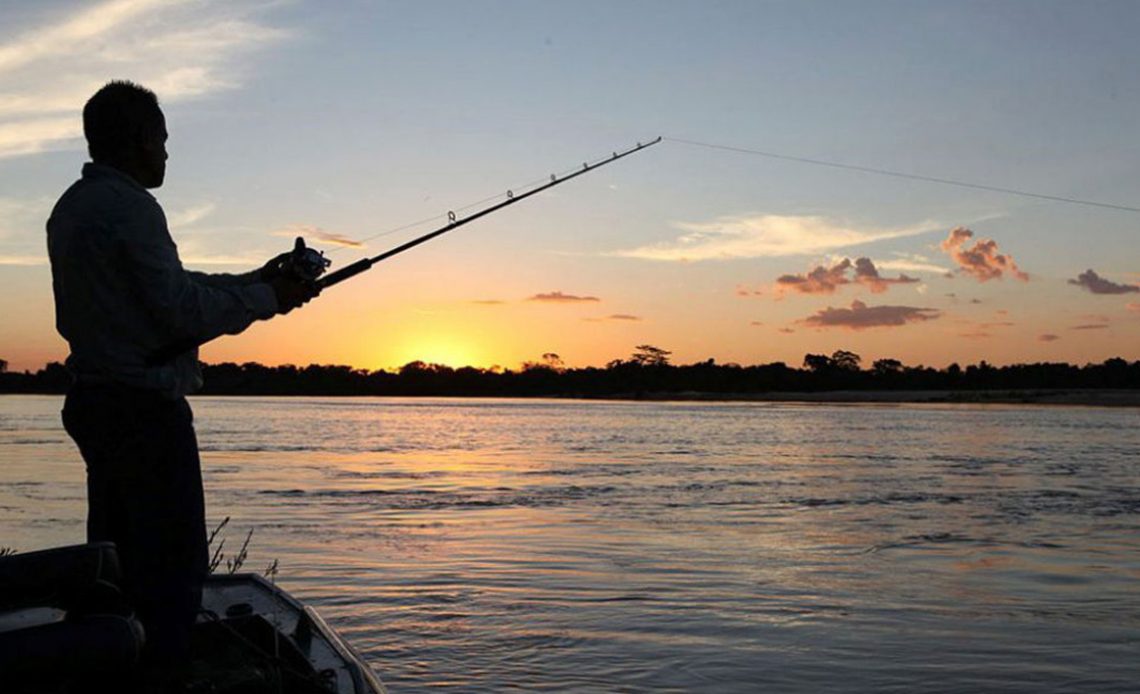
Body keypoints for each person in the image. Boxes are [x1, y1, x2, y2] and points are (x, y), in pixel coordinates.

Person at [46, 80, 317, 675]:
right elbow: (180, 312)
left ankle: (115, 663)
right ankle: (161, 672)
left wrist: (256, 278)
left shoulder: (74, 206)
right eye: (163, 140)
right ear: (140, 138)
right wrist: (270, 298)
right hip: (143, 414)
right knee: (172, 570)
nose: (167, 154)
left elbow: (170, 285)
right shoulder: (133, 207)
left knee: (118, 560)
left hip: (96, 403)